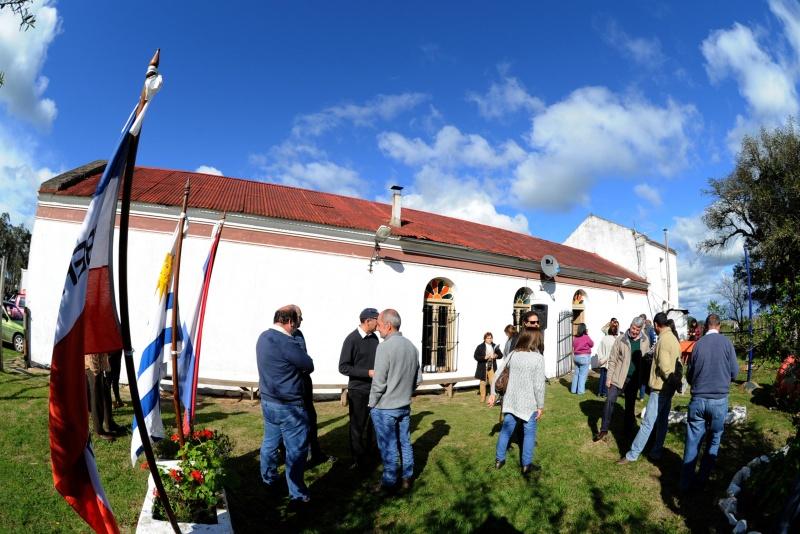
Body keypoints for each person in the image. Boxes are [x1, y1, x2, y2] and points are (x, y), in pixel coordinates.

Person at [257, 305, 315, 504]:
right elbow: (308, 365)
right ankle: (297, 494)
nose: (300, 323)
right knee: (296, 451)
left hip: (268, 401)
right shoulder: (287, 343)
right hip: (290, 406)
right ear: (290, 322)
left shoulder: (263, 337)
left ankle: (268, 479)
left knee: (269, 444)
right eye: (299, 319)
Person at [680, 314, 739, 492]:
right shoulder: (727, 344)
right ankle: (702, 480)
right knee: (713, 440)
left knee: (692, 442)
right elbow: (735, 373)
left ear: (705, 326)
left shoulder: (697, 345)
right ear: (719, 326)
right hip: (719, 401)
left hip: (698, 399)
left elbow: (690, 375)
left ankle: (685, 483)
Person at [369, 309, 422, 495]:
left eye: (379, 325)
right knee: (405, 442)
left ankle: (389, 482)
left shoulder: (384, 347)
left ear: (388, 325)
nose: (377, 329)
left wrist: (372, 403)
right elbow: (418, 380)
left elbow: (379, 381)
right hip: (404, 406)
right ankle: (407, 477)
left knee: (389, 446)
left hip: (385, 407)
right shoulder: (412, 347)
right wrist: (405, 392)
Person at [617, 312, 681, 464]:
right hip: (669, 388)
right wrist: (676, 383)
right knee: (662, 421)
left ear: (657, 325)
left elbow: (665, 368)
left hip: (661, 388)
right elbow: (679, 364)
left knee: (647, 423)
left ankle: (632, 454)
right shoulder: (674, 338)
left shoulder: (664, 340)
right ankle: (656, 451)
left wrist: (671, 382)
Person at [487, 329, 546, 477]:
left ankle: (499, 460)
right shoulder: (538, 358)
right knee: (529, 434)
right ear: (536, 340)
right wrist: (540, 406)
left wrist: (493, 393)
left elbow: (497, 373)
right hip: (529, 403)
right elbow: (539, 386)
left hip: (511, 401)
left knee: (506, 431)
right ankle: (526, 465)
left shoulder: (513, 354)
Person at [593, 316, 651, 442]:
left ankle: (627, 431)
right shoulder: (621, 339)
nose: (634, 331)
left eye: (637, 329)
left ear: (641, 329)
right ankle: (603, 430)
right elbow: (613, 360)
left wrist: (644, 379)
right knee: (609, 401)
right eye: (633, 328)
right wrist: (608, 378)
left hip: (634, 379)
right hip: (618, 377)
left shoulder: (645, 340)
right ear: (630, 325)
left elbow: (646, 360)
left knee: (630, 406)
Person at [291, 305, 335, 467]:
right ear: (292, 318)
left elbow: (303, 357)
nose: (302, 320)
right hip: (293, 385)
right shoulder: (283, 338)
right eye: (300, 317)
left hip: (305, 382)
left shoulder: (299, 334)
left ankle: (314, 453)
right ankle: (299, 456)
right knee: (296, 421)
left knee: (311, 418)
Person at [338, 308, 381, 471]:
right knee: (357, 426)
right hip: (358, 391)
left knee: (374, 425)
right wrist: (367, 373)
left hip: (374, 389)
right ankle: (358, 459)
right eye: (377, 319)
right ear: (367, 321)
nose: (379, 322)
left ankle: (372, 455)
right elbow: (343, 367)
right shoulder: (351, 339)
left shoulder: (375, 338)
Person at [85, 352, 123, 441]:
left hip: (101, 352)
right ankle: (99, 430)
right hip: (92, 352)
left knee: (105, 388)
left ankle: (109, 423)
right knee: (96, 391)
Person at [474, 332, 503, 403]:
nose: (490, 339)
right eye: (488, 338)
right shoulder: (480, 346)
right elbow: (476, 356)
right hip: (483, 367)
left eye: (491, 338)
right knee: (483, 382)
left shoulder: (495, 346)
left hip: (492, 367)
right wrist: (484, 357)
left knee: (492, 382)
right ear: (485, 339)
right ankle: (482, 397)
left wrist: (495, 355)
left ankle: (492, 397)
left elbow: (501, 355)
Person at [596, 319, 619, 397]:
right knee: (608, 378)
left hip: (603, 361)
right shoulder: (615, 340)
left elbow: (599, 350)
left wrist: (602, 358)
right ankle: (605, 392)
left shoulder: (604, 338)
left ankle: (599, 392)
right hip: (610, 362)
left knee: (602, 377)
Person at [570, 323, 594, 394]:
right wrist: (587, 335)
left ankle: (573, 390)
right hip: (584, 357)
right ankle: (580, 391)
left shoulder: (575, 338)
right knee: (582, 375)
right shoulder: (586, 337)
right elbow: (592, 344)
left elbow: (573, 345)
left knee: (576, 374)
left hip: (576, 357)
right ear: (584, 329)